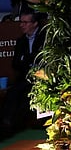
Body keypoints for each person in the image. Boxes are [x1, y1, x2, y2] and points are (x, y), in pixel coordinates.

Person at [0, 8, 46, 137]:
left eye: (25, 22)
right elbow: (16, 63)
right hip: (25, 76)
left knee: (26, 94)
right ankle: (6, 124)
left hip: (42, 77)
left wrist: (27, 61)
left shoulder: (44, 37)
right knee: (13, 92)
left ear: (34, 24)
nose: (21, 25)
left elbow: (42, 60)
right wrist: (29, 63)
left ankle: (13, 126)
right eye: (21, 22)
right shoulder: (21, 41)